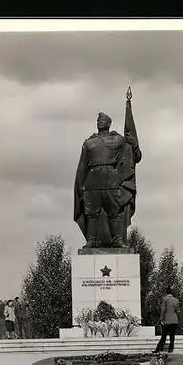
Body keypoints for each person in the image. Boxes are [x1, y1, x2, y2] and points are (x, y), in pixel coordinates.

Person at [74, 93, 142, 249]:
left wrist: (133, 143)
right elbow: (83, 165)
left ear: (109, 123)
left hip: (111, 181)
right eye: (98, 120)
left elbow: (134, 154)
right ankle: (91, 241)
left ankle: (117, 240)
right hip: (93, 182)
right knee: (92, 214)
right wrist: (80, 185)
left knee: (114, 212)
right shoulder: (89, 143)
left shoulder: (117, 139)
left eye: (102, 120)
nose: (99, 122)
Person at [153, 287, 179, 354]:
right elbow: (177, 310)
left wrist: (161, 319)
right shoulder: (176, 300)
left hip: (167, 320)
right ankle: (170, 349)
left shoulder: (165, 299)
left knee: (164, 336)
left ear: (166, 293)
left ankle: (158, 349)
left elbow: (163, 310)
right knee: (172, 336)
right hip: (174, 320)